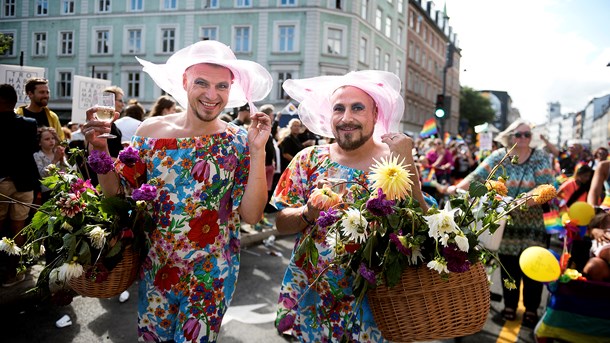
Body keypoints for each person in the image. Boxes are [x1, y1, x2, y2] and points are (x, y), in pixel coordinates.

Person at [83, 40, 272, 342]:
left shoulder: (238, 141)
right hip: (156, 268)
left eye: (222, 86)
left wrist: (258, 151)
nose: (212, 95)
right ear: (184, 82)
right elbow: (116, 198)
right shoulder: (150, 132)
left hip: (212, 273)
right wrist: (101, 150)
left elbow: (251, 214)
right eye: (202, 83)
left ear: (231, 90)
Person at [271, 70, 429, 342]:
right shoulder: (309, 159)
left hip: (374, 306)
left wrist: (408, 164)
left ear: (375, 115)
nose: (347, 118)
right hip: (314, 303)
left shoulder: (394, 164)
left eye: (358, 108)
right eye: (338, 109)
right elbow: (281, 222)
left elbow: (424, 230)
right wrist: (308, 213)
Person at [443, 119, 555, 328]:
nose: (522, 139)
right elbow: (477, 175)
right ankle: (510, 305)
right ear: (510, 136)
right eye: (518, 135)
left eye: (527, 135)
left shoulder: (539, 157)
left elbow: (546, 187)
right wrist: (455, 188)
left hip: (532, 223)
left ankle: (531, 308)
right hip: (504, 221)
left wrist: (519, 202)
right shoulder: (499, 156)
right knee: (509, 265)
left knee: (532, 265)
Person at [0, 84, 39, 287]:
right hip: (24, 182)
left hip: (2, 182)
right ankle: (11, 273)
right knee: (18, 228)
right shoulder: (29, 124)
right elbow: (33, 148)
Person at [33, 127, 69, 204]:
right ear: (39, 142)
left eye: (53, 138)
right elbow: (42, 175)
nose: (51, 141)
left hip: (61, 190)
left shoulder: (57, 152)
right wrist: (55, 160)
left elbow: (66, 171)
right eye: (47, 139)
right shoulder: (37, 156)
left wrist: (62, 160)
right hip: (47, 192)